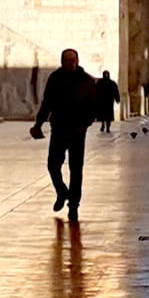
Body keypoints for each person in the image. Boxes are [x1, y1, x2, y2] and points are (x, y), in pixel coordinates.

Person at [31, 49, 99, 223]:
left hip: (77, 131)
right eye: (66, 61)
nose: (70, 63)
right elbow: (47, 103)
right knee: (53, 165)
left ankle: (73, 205)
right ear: (62, 62)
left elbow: (92, 106)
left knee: (76, 169)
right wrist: (38, 124)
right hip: (59, 129)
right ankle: (62, 191)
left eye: (72, 60)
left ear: (77, 61)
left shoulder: (86, 80)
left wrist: (85, 124)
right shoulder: (55, 78)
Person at [95, 70, 120, 135]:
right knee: (103, 115)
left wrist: (117, 99)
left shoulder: (110, 83)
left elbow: (115, 91)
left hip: (108, 102)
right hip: (103, 102)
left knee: (108, 116)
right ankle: (103, 124)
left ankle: (108, 127)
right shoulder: (100, 83)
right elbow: (96, 91)